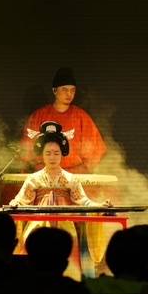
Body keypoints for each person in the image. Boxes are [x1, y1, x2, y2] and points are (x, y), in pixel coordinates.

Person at [10, 121, 111, 279]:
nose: (52, 157)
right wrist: (15, 203)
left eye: (56, 153)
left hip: (65, 227)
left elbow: (84, 202)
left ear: (62, 154)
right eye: (48, 153)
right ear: (42, 154)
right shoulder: (33, 179)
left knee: (68, 259)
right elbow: (21, 200)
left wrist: (99, 206)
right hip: (39, 227)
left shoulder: (71, 179)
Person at [20, 66, 107, 173]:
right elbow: (27, 152)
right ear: (54, 90)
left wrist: (77, 172)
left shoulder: (81, 117)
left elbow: (96, 152)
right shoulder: (38, 116)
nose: (69, 94)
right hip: (43, 177)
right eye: (64, 89)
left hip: (74, 177)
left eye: (72, 90)